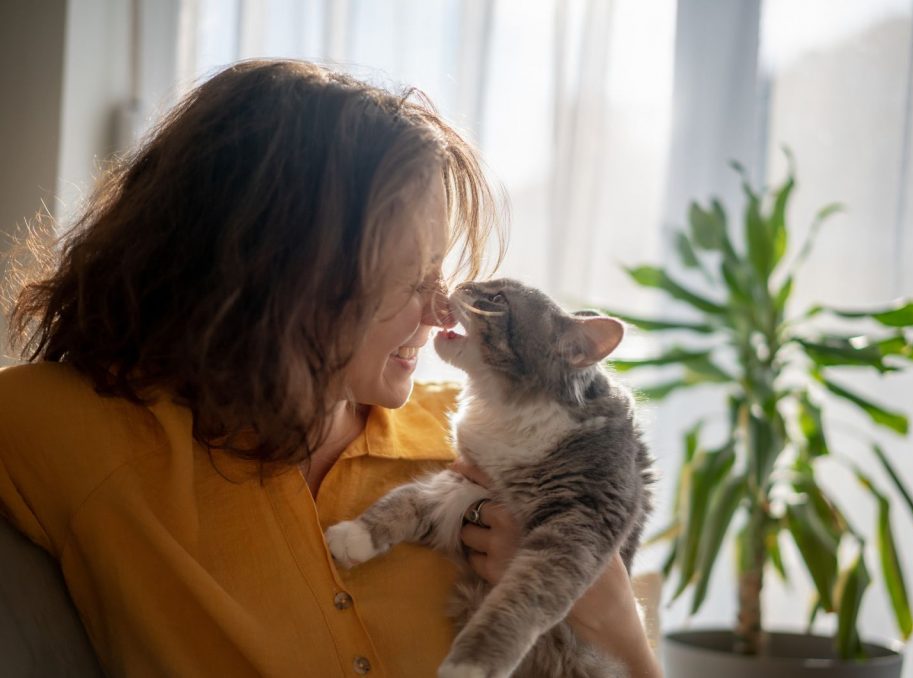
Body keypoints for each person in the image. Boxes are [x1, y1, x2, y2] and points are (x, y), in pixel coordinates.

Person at [0, 59, 661, 677]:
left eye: (445, 274)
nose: (442, 314)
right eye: (412, 280)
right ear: (280, 275)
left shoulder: (484, 450)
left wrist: (615, 621)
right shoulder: (82, 432)